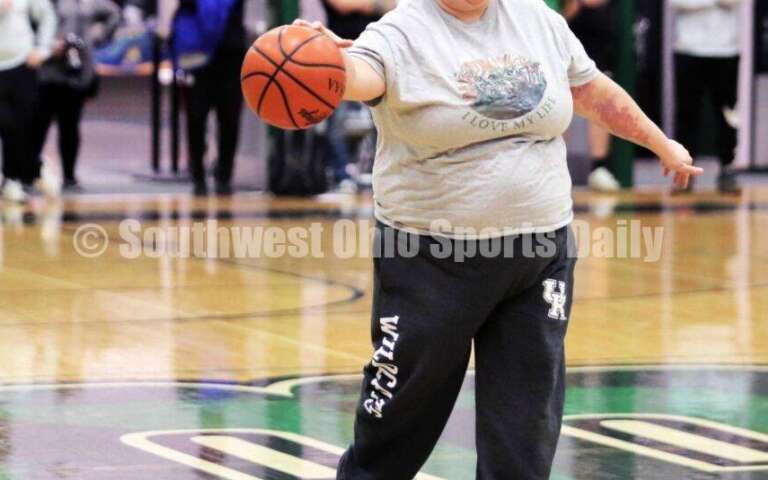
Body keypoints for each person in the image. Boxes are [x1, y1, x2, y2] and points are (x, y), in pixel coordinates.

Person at [294, 0, 702, 476]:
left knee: (524, 432)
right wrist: (322, 59)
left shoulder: (537, 19)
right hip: (431, 261)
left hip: (538, 256)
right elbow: (358, 74)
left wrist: (660, 143)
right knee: (399, 422)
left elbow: (592, 91)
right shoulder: (401, 32)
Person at [0, 0, 60, 202]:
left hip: (22, 66)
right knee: (3, 123)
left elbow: (47, 15)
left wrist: (43, 48)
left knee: (22, 125)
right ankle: (35, 167)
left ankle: (11, 180)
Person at [35, 0, 121, 192]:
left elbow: (113, 13)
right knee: (39, 124)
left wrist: (96, 38)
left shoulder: (88, 2)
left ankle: (69, 175)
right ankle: (29, 173)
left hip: (76, 72)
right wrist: (46, 45)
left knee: (70, 126)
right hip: (47, 69)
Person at [172, 0, 246, 196]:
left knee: (229, 119)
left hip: (230, 54)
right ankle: (198, 174)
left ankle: (224, 175)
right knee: (196, 117)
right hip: (198, 56)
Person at [323, 0, 394, 193]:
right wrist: (376, 4)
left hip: (379, 54)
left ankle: (377, 176)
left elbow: (394, 5)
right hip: (341, 53)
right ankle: (341, 176)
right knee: (336, 123)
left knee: (382, 122)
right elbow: (343, 5)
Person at [672, 0, 741, 194]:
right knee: (687, 113)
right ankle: (684, 172)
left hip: (726, 50)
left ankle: (728, 168)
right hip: (688, 49)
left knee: (728, 114)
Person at [565, 0, 621, 192]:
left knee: (601, 107)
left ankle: (599, 168)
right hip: (565, 52)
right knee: (562, 109)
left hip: (598, 50)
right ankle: (557, 167)